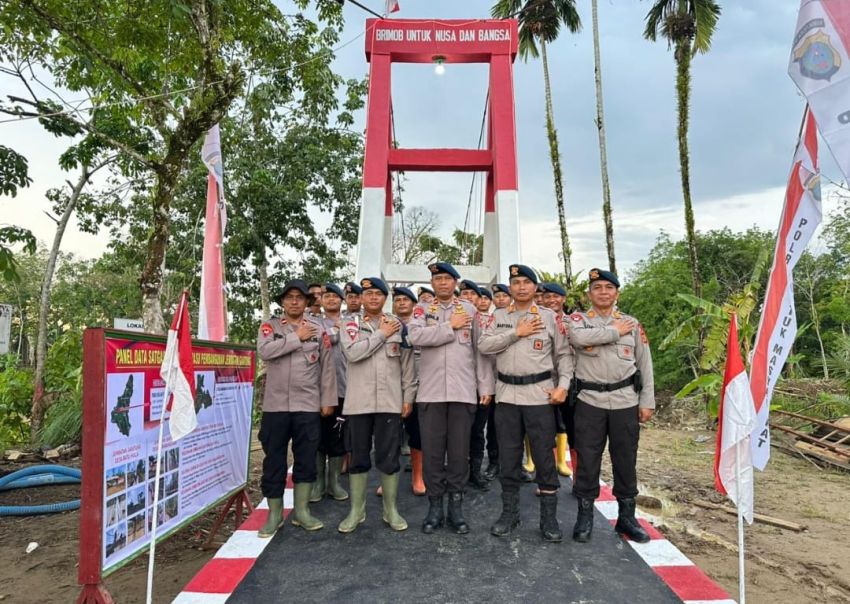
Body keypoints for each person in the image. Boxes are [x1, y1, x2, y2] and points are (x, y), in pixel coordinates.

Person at [479, 264, 574, 543]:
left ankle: (549, 518)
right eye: (516, 282)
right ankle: (510, 514)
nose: (521, 287)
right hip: (507, 396)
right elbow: (484, 346)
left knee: (544, 456)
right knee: (508, 457)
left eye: (526, 282)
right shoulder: (498, 316)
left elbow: (564, 356)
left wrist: (563, 386)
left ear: (535, 288)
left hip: (539, 395)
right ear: (510, 287)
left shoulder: (549, 317)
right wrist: (515, 333)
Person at [568, 268, 654, 544]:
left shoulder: (632, 323)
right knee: (587, 460)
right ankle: (585, 518)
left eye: (608, 287)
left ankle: (627, 518)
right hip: (589, 401)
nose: (603, 292)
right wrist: (615, 332)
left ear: (617, 293)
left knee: (626, 460)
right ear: (589, 294)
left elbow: (645, 364)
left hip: (625, 401)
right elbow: (578, 339)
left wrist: (647, 401)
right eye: (597, 288)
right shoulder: (578, 320)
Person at [408, 262, 494, 535]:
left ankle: (456, 508)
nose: (442, 283)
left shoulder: (470, 310)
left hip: (463, 392)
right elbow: (415, 336)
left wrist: (485, 386)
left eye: (447, 278)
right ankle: (435, 508)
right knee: (433, 453)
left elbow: (480, 351)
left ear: (456, 282)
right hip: (431, 393)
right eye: (438, 279)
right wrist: (449, 326)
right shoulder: (422, 310)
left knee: (458, 453)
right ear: (432, 283)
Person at [255, 279, 338, 536]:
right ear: (282, 301)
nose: (294, 301)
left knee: (306, 459)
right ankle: (275, 515)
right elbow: (265, 351)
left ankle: (302, 512)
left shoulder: (318, 330)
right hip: (276, 407)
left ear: (306, 302)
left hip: (307, 405)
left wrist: (328, 400)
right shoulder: (270, 327)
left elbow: (327, 368)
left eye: (299, 297)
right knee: (274, 461)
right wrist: (295, 338)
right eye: (289, 297)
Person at [338, 277, 417, 533]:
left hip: (389, 401)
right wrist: (382, 334)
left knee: (389, 457)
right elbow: (352, 353)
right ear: (361, 298)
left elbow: (407, 365)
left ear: (385, 298)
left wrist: (408, 398)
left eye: (378, 294)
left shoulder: (398, 325)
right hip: (359, 402)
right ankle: (356, 511)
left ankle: (390, 509)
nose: (373, 297)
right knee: (358, 458)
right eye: (368, 293)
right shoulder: (351, 323)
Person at [310, 283, 349, 503]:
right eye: (327, 296)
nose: (331, 299)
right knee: (317, 436)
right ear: (321, 300)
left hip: (344, 387)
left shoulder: (353, 321)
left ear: (342, 300)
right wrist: (338, 331)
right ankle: (319, 482)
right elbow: (326, 339)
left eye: (336, 296)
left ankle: (334, 482)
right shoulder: (313, 323)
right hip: (317, 389)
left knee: (338, 436)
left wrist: (343, 329)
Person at [393, 286, 426, 496]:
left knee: (417, 433)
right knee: (389, 436)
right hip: (391, 386)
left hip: (418, 385)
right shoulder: (388, 325)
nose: (402, 303)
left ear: (414, 304)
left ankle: (418, 476)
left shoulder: (422, 325)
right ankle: (389, 477)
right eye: (398, 300)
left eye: (406, 300)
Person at [540, 282, 573, 478]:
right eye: (547, 297)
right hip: (545, 380)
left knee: (567, 425)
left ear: (563, 299)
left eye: (556, 296)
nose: (551, 300)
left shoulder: (574, 321)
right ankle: (544, 468)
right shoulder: (537, 320)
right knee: (544, 428)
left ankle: (563, 463)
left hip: (569, 381)